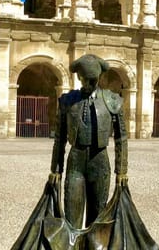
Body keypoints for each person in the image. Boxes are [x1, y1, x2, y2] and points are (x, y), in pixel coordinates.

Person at [50, 54, 128, 231]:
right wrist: (56, 168)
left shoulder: (112, 100)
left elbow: (121, 137)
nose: (89, 84)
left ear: (99, 78)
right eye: (86, 80)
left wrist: (121, 170)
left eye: (93, 80)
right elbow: (60, 137)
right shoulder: (67, 101)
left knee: (97, 217)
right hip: (76, 161)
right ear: (79, 77)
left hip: (100, 161)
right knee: (72, 214)